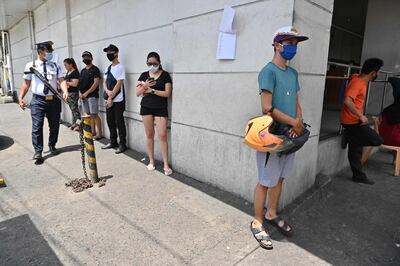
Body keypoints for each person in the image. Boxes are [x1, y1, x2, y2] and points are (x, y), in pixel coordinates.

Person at [250, 26, 308, 250]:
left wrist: (298, 122)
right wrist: (293, 122)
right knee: (265, 181)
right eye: (289, 43)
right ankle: (257, 220)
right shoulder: (268, 71)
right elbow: (267, 107)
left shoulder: (292, 74)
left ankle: (272, 213)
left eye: (296, 44)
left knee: (281, 178)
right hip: (272, 135)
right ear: (277, 45)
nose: (293, 47)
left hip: (291, 135)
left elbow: (295, 101)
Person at [18, 41, 68, 163]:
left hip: (54, 100)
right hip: (38, 101)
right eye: (48, 51)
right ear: (40, 52)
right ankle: (38, 152)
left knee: (55, 125)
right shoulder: (31, 65)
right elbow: (26, 84)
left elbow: (61, 80)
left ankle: (52, 145)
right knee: (37, 127)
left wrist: (65, 90)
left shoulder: (55, 65)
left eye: (51, 51)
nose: (50, 53)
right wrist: (20, 98)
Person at [340, 58, 384, 184]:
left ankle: (358, 176)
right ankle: (349, 137)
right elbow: (347, 101)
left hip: (352, 121)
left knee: (355, 150)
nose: (378, 74)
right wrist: (360, 115)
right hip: (352, 122)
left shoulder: (359, 80)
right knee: (377, 140)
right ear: (373, 73)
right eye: (378, 72)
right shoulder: (358, 83)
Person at [136, 52, 173, 176]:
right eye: (149, 63)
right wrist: (145, 85)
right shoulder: (143, 75)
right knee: (149, 135)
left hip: (160, 108)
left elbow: (167, 93)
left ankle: (165, 164)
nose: (152, 65)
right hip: (146, 107)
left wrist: (152, 90)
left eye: (154, 63)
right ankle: (151, 161)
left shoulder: (165, 75)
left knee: (162, 135)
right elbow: (137, 93)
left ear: (159, 62)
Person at [101, 44, 127, 154]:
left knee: (119, 122)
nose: (108, 54)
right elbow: (104, 82)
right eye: (107, 52)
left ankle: (122, 144)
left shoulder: (120, 67)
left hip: (117, 100)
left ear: (116, 53)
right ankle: (113, 142)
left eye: (110, 52)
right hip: (109, 98)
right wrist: (107, 92)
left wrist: (111, 97)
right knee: (110, 121)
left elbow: (119, 83)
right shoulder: (108, 67)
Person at [79, 51, 102, 139]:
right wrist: (80, 93)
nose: (85, 59)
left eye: (87, 57)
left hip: (92, 95)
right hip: (84, 97)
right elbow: (80, 84)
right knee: (88, 115)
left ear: (91, 58)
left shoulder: (95, 69)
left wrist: (87, 93)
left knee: (94, 114)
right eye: (84, 57)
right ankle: (92, 132)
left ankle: (99, 133)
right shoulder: (83, 71)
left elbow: (96, 83)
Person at [63, 58, 80, 131]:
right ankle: (74, 123)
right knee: (72, 109)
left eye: (66, 65)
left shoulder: (75, 72)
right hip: (69, 93)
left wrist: (65, 82)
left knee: (75, 109)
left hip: (73, 93)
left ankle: (78, 124)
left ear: (71, 64)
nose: (65, 67)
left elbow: (75, 83)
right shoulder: (68, 72)